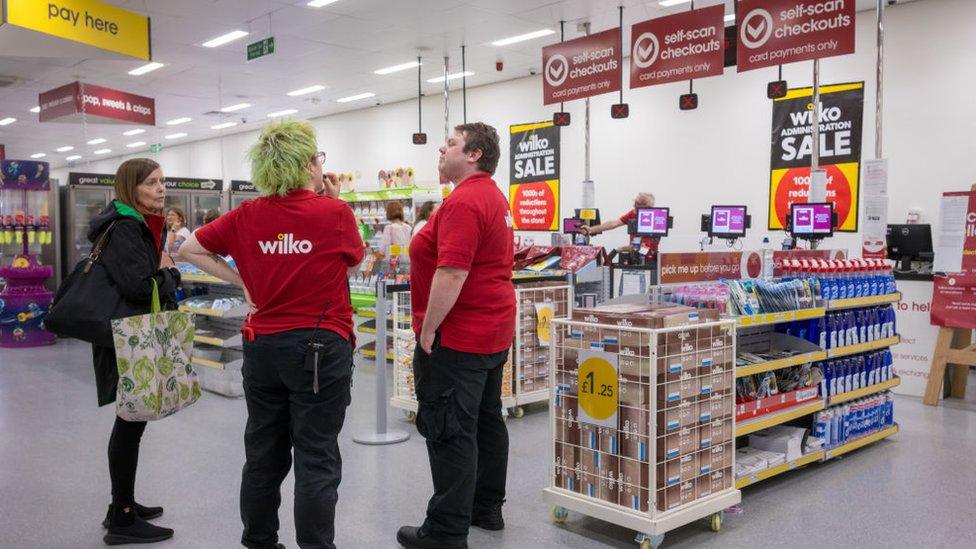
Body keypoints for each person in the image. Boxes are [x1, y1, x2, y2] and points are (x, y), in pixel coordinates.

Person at [177, 120, 364, 549]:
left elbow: (188, 249)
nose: (321, 164)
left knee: (263, 454)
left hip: (262, 347)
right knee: (316, 458)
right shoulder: (334, 213)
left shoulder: (246, 215)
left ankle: (259, 541)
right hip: (319, 347)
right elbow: (352, 264)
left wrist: (241, 280)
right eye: (318, 157)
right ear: (305, 164)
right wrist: (333, 202)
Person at [397, 123, 515, 549]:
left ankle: (446, 532)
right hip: (493, 331)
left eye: (449, 144)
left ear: (474, 155)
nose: (440, 150)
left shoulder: (465, 201)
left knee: (450, 429)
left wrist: (428, 327)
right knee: (486, 419)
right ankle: (487, 507)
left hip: (460, 336)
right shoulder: (493, 197)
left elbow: (451, 271)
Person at [88, 158, 182, 545]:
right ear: (131, 187)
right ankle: (123, 518)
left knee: (132, 422)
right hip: (129, 337)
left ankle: (120, 506)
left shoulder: (134, 223)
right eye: (151, 183)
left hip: (129, 333)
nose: (160, 189)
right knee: (129, 423)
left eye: (162, 182)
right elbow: (139, 286)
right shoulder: (126, 227)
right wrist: (171, 273)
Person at [580, 192, 660, 256]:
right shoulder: (633, 213)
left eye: (637, 204)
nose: (634, 205)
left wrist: (621, 249)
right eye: (634, 202)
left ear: (647, 207)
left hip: (647, 259)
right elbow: (614, 223)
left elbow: (643, 247)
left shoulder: (655, 219)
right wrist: (591, 230)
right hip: (633, 256)